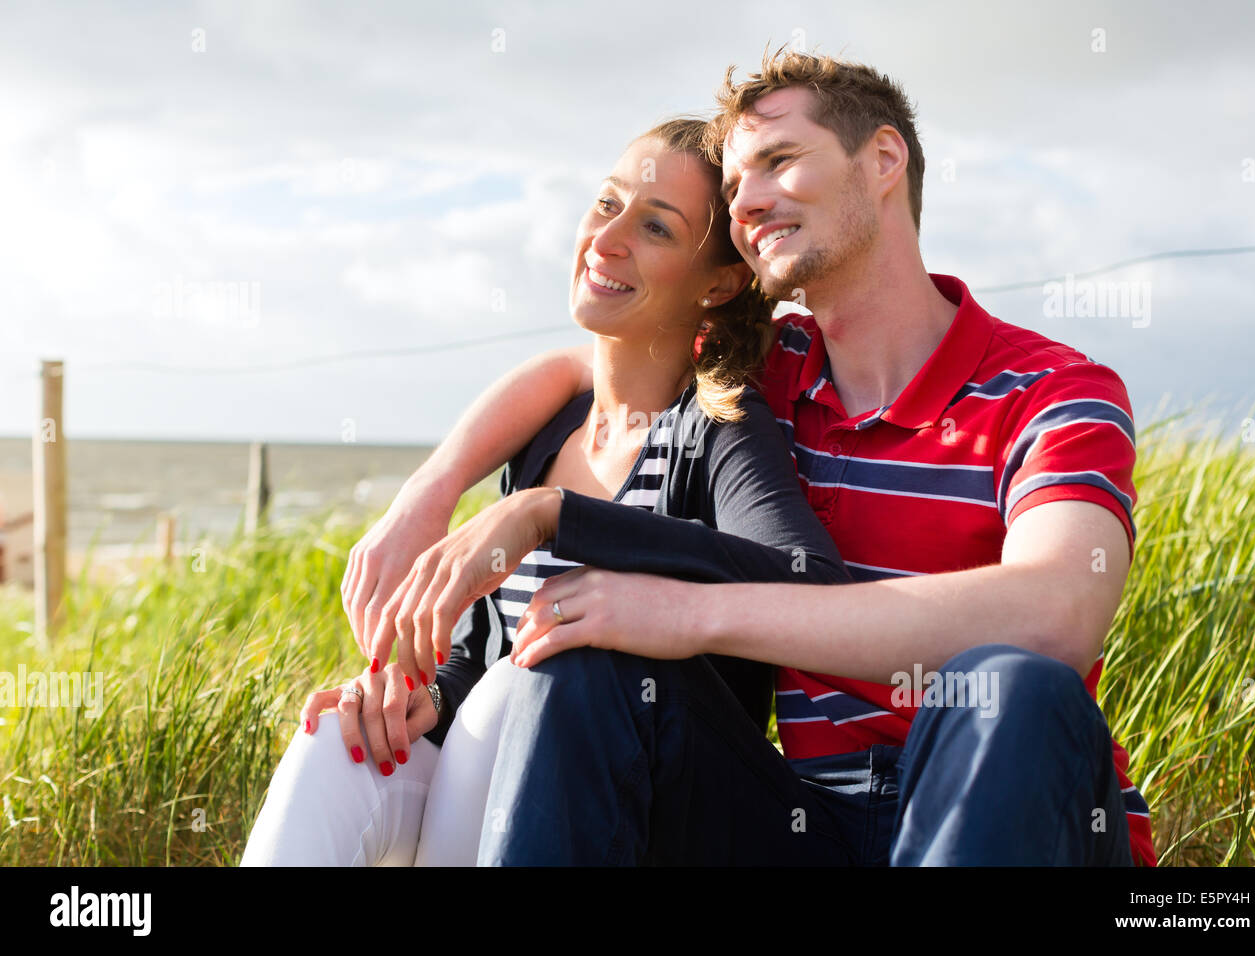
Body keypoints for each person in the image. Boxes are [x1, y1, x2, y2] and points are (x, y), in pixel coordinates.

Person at [350, 48, 1157, 866]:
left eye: (779, 160)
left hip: (1011, 815)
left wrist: (691, 613)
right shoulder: (762, 376)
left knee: (1014, 688)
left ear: (883, 159)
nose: (748, 203)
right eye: (736, 186)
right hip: (809, 820)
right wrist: (432, 494)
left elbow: (1056, 615)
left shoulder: (1053, 391)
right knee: (591, 658)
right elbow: (581, 368)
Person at [239, 116, 850, 866]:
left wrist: (563, 519)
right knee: (337, 743)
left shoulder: (718, 427)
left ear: (718, 283)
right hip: (483, 795)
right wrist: (423, 700)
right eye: (607, 203)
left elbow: (811, 582)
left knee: (530, 677)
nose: (608, 238)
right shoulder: (550, 426)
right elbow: (476, 658)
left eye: (656, 227)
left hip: (631, 824)